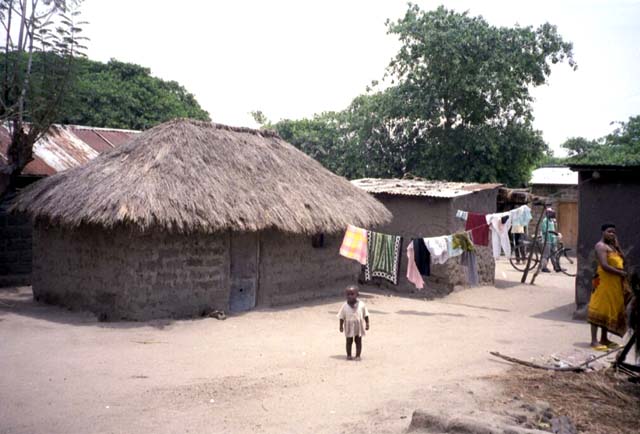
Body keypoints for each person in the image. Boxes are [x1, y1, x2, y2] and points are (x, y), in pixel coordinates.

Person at [588, 223, 629, 351]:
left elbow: (624, 261)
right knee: (598, 308)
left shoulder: (613, 248)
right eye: (609, 231)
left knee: (608, 309)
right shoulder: (600, 246)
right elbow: (605, 265)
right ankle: (594, 341)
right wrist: (621, 273)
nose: (612, 234)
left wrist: (617, 246)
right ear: (603, 232)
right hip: (603, 282)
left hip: (614, 284)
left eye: (613, 232)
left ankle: (604, 339)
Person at [337, 285, 370, 360]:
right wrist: (341, 326)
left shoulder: (362, 305)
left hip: (358, 326)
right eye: (348, 294)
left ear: (357, 295)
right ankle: (349, 355)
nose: (350, 296)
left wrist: (367, 323)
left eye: (352, 294)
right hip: (349, 326)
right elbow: (341, 317)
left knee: (358, 341)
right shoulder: (344, 306)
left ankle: (358, 355)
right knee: (349, 341)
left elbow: (366, 314)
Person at [540, 208, 561, 272]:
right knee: (546, 254)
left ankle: (556, 267)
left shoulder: (552, 221)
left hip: (553, 240)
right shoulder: (545, 220)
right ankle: (544, 267)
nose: (552, 214)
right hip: (547, 240)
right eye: (551, 213)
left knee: (554, 254)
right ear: (548, 213)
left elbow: (554, 229)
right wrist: (551, 232)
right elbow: (544, 230)